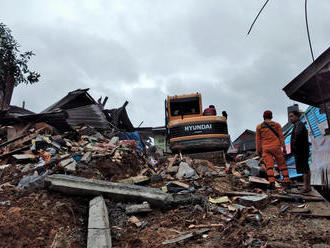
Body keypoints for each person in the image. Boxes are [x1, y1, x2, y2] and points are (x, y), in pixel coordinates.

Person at [256, 110, 290, 188]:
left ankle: (272, 183)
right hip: (276, 147)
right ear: (271, 116)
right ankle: (287, 181)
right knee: (282, 165)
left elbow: (258, 140)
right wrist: (284, 148)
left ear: (263, 117)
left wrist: (258, 151)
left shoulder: (259, 127)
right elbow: (281, 137)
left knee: (269, 166)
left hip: (266, 148)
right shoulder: (277, 125)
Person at [289, 110, 311, 193]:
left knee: (305, 169)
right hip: (301, 150)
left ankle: (306, 188)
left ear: (297, 116)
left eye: (291, 116)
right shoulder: (297, 125)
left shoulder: (300, 125)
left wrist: (294, 146)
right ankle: (307, 187)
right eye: (289, 117)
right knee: (304, 169)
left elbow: (297, 136)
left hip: (301, 150)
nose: (290, 118)